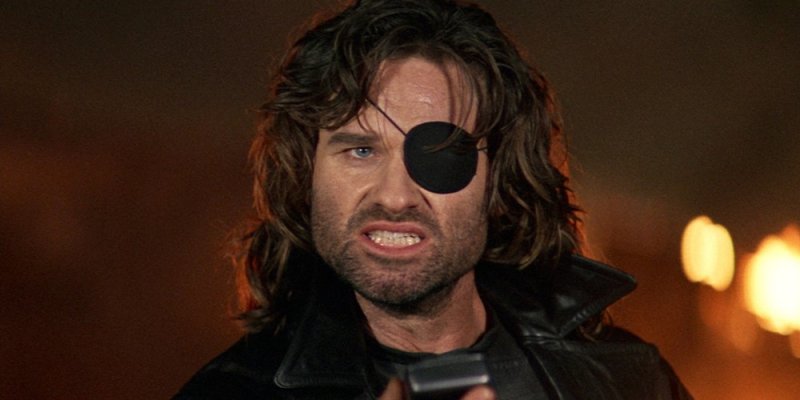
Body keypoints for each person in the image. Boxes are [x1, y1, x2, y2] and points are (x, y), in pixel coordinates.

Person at [174, 0, 692, 399]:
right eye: (360, 150)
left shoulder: (627, 381)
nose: (395, 196)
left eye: (440, 155)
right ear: (306, 173)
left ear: (500, 180)